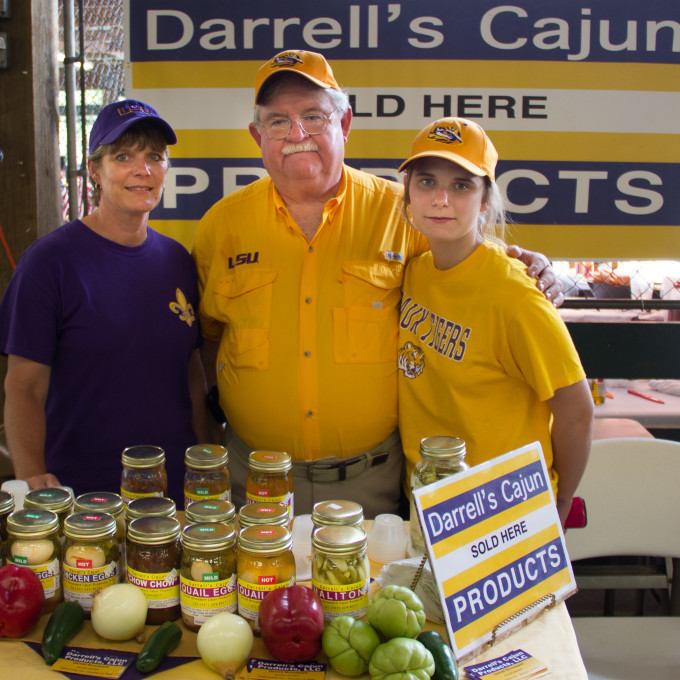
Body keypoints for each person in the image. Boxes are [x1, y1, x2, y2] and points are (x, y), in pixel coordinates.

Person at [193, 50, 563, 517]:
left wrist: (527, 264)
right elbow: (208, 340)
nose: (297, 135)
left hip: (372, 485)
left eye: (313, 116)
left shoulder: (405, 214)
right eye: (278, 122)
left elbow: (467, 269)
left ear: (344, 124)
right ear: (256, 135)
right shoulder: (220, 227)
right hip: (255, 481)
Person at [0, 99, 210, 504]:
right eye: (123, 156)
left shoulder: (178, 261)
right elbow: (23, 386)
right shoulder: (49, 263)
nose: (142, 169)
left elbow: (192, 375)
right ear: (94, 169)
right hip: (81, 492)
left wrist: (205, 460)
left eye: (154, 156)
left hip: (177, 494)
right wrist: (30, 478)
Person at [397, 117, 593, 527]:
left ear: (485, 200)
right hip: (428, 498)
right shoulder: (414, 272)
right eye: (427, 182)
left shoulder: (517, 296)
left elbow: (576, 411)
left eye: (462, 185)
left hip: (502, 508)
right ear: (408, 195)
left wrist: (561, 500)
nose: (440, 199)